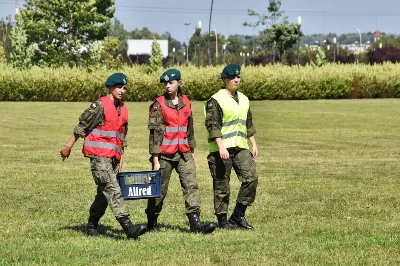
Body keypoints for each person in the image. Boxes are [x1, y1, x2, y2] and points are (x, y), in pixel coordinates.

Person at [59, 72, 147, 240]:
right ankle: (129, 228)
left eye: (124, 87)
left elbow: (121, 136)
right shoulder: (99, 106)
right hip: (99, 158)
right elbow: (81, 127)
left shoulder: (123, 109)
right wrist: (68, 146)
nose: (122, 90)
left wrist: (121, 157)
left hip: (113, 157)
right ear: (110, 87)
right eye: (118, 87)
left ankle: (91, 225)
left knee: (103, 195)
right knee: (113, 190)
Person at [146, 68, 217, 234]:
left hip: (184, 153)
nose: (167, 86)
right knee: (159, 190)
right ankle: (152, 220)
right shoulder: (159, 104)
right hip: (164, 155)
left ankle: (195, 224)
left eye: (171, 82)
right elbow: (155, 134)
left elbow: (189, 127)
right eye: (165, 83)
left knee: (191, 185)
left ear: (179, 83)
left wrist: (191, 148)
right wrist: (155, 159)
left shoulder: (186, 102)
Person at [204, 64, 259, 230]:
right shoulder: (216, 100)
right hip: (221, 149)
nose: (236, 80)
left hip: (240, 147)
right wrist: (221, 147)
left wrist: (253, 144)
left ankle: (238, 215)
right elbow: (213, 126)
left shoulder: (244, 99)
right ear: (224, 80)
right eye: (232, 78)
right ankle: (222, 219)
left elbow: (247, 124)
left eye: (238, 77)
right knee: (222, 185)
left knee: (251, 178)